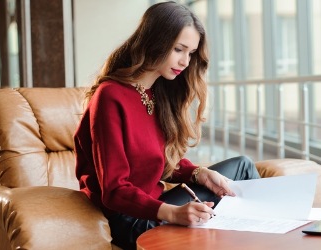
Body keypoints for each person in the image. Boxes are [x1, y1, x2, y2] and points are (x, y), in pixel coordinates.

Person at [74, 1, 260, 249]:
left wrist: (199, 173)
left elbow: (156, 159)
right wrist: (174, 213)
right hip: (130, 219)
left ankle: (268, 229)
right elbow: (115, 190)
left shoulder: (157, 93)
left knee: (242, 166)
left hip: (158, 203)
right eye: (179, 49)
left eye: (191, 53)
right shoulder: (110, 96)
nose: (185, 61)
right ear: (155, 41)